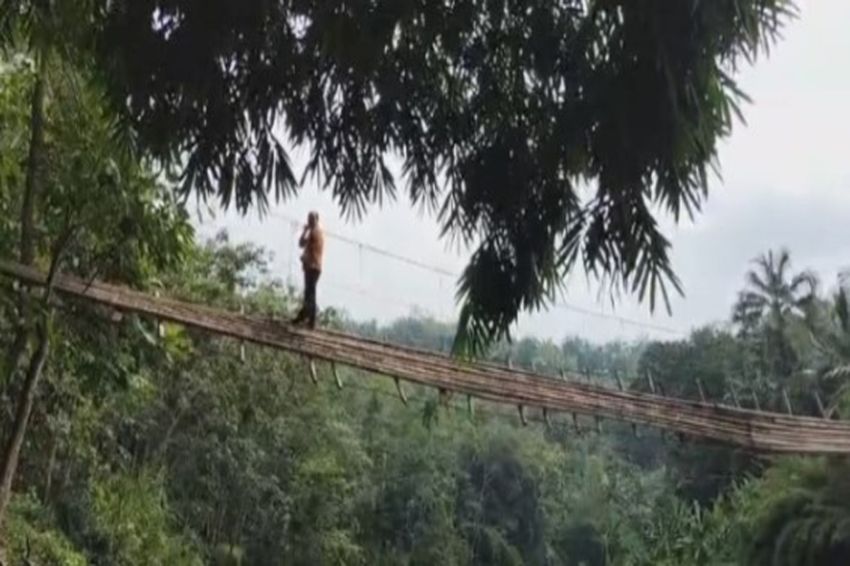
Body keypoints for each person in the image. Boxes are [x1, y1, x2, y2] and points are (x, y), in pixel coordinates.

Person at [292, 211, 324, 328]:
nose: (309, 221)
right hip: (313, 266)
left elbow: (301, 243)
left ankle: (309, 319)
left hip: (312, 266)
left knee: (310, 293)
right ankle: (307, 317)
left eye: (311, 219)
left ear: (316, 220)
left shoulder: (315, 232)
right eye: (308, 219)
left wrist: (305, 231)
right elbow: (303, 245)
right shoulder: (316, 231)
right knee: (309, 293)